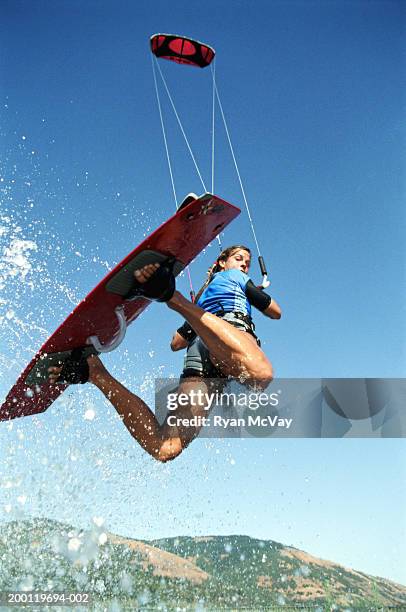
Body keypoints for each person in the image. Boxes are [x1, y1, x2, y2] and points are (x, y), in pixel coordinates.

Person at [48, 245, 281, 462]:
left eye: (247, 263)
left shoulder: (202, 299)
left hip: (200, 349)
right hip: (228, 336)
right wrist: (252, 291)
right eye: (239, 259)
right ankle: (170, 296)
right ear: (221, 262)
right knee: (260, 375)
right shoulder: (236, 277)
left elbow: (176, 342)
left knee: (165, 447)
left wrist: (196, 314)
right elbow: (275, 312)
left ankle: (94, 372)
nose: (244, 265)